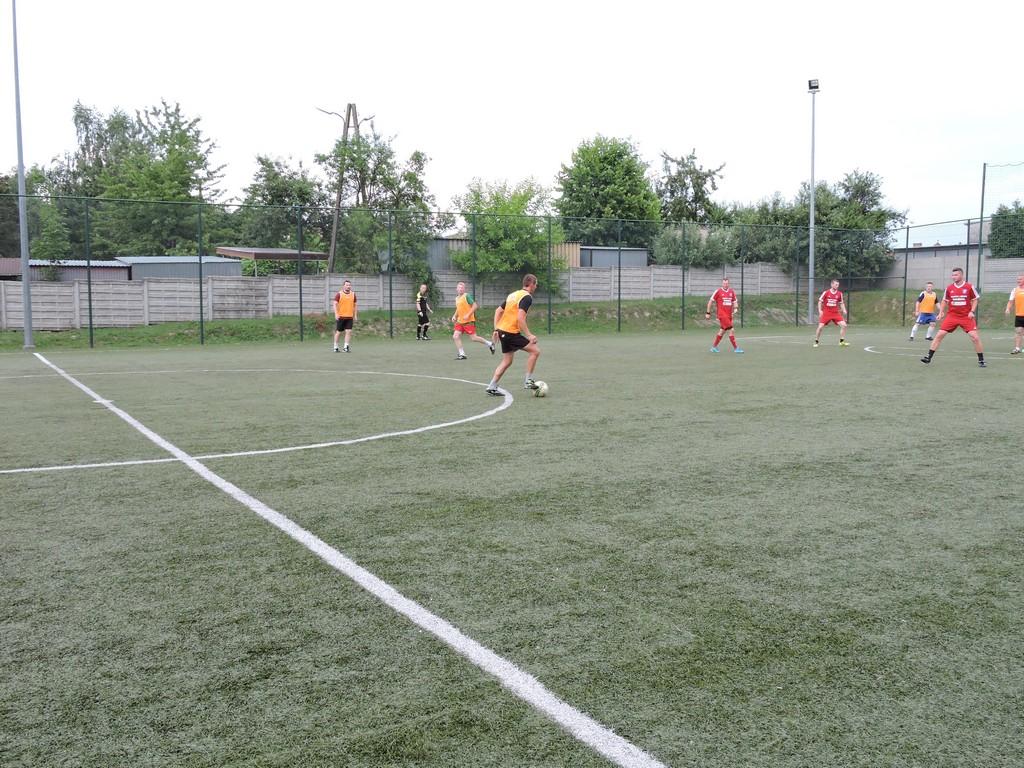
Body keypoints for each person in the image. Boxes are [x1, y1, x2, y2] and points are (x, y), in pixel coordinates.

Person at [486, 274, 541, 396]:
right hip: (510, 332)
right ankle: (528, 381)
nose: (536, 287)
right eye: (536, 284)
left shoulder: (513, 295)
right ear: (531, 284)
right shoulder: (527, 297)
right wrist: (529, 335)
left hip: (502, 331)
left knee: (507, 361)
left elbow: (498, 311)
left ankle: (492, 386)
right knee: (535, 351)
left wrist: (496, 329)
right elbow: (520, 318)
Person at [920, 267, 985, 367]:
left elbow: (975, 299)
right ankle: (928, 357)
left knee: (975, 337)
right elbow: (944, 301)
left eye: (956, 275)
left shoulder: (969, 287)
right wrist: (941, 312)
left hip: (966, 317)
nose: (953, 277)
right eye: (953, 275)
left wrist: (972, 311)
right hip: (952, 316)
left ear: (961, 275)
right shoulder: (949, 288)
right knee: (939, 335)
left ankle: (981, 360)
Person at [451, 281, 495, 360]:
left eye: (462, 288)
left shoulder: (467, 296)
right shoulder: (457, 298)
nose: (460, 289)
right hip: (460, 321)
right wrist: (454, 316)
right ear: (456, 289)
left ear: (464, 289)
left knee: (474, 338)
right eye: (459, 287)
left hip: (468, 322)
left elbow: (475, 306)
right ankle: (462, 354)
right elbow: (458, 308)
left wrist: (468, 315)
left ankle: (490, 344)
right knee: (455, 336)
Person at [705, 277, 743, 353]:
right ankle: (736, 348)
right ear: (722, 284)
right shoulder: (718, 291)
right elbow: (710, 302)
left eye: (727, 283)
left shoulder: (731, 291)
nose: (725, 284)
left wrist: (735, 308)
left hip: (729, 316)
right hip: (722, 315)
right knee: (731, 330)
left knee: (722, 331)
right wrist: (708, 313)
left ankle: (714, 347)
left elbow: (735, 301)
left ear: (728, 284)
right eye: (724, 283)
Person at [814, 279, 849, 347]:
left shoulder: (839, 293)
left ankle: (841, 342)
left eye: (838, 285)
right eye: (836, 284)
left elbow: (841, 303)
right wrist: (820, 310)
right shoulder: (826, 292)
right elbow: (820, 302)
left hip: (835, 313)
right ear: (832, 284)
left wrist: (844, 310)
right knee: (820, 327)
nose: (837, 286)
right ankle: (816, 341)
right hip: (826, 313)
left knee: (844, 325)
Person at [333, 279, 357, 352]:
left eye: (349, 285)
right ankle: (335, 347)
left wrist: (355, 315)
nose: (348, 286)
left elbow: (355, 305)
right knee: (338, 332)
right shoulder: (339, 294)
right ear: (343, 286)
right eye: (347, 285)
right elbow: (334, 304)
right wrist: (336, 314)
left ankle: (346, 347)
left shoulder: (353, 294)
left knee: (349, 331)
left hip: (349, 317)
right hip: (341, 317)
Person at [1005, 274, 1024, 355]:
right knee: (1018, 331)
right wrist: (1008, 308)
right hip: (1019, 315)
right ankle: (1017, 348)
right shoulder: (1015, 290)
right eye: (1018, 279)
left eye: (1020, 279)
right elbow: (1010, 301)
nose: (1018, 280)